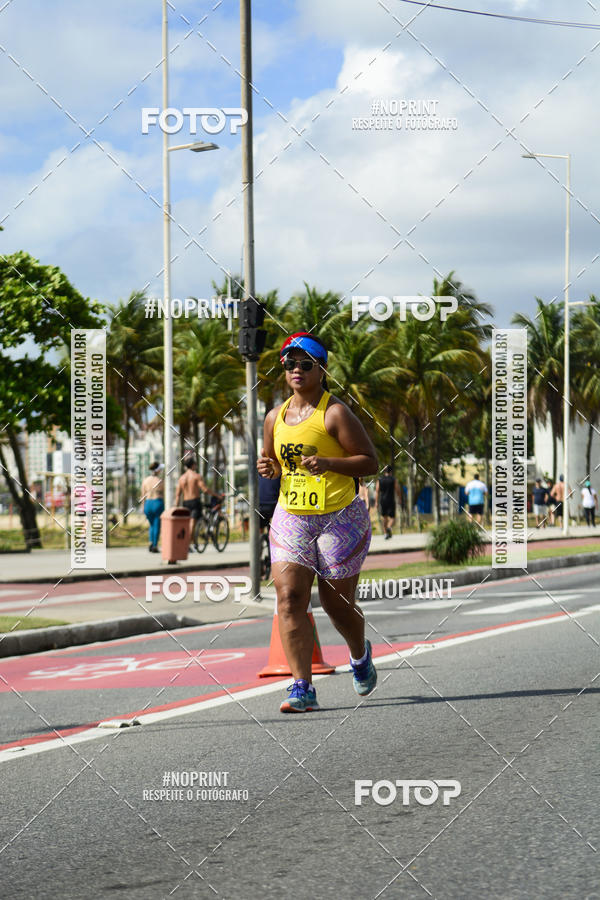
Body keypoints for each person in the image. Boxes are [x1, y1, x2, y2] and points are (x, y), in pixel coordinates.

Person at [257, 332, 379, 713]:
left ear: (321, 369)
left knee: (335, 603)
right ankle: (301, 687)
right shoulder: (275, 417)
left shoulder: (335, 412)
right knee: (289, 598)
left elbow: (370, 462)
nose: (296, 369)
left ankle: (359, 655)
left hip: (339, 518)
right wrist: (269, 467)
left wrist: (330, 463)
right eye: (290, 363)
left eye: (305, 363)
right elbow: (272, 462)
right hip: (292, 516)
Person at [175, 458, 223, 549]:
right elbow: (204, 490)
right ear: (193, 465)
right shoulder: (196, 476)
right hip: (194, 501)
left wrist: (176, 507)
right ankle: (188, 544)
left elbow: (177, 495)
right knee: (192, 523)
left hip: (185, 502)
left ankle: (192, 542)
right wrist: (216, 495)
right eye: (195, 464)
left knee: (188, 523)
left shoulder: (181, 478)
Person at [140, 461, 164, 552]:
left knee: (151, 525)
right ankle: (154, 545)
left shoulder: (145, 480)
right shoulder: (160, 481)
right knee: (157, 524)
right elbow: (164, 492)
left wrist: (143, 506)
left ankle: (150, 542)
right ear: (158, 470)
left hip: (148, 504)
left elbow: (142, 495)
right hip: (157, 502)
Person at [375, 466, 401, 538]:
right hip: (391, 500)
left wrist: (376, 502)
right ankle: (389, 527)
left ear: (384, 471)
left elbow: (377, 491)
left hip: (382, 501)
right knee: (392, 517)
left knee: (384, 517)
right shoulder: (393, 479)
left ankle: (385, 533)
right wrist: (399, 499)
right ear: (391, 472)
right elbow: (397, 490)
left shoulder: (379, 479)